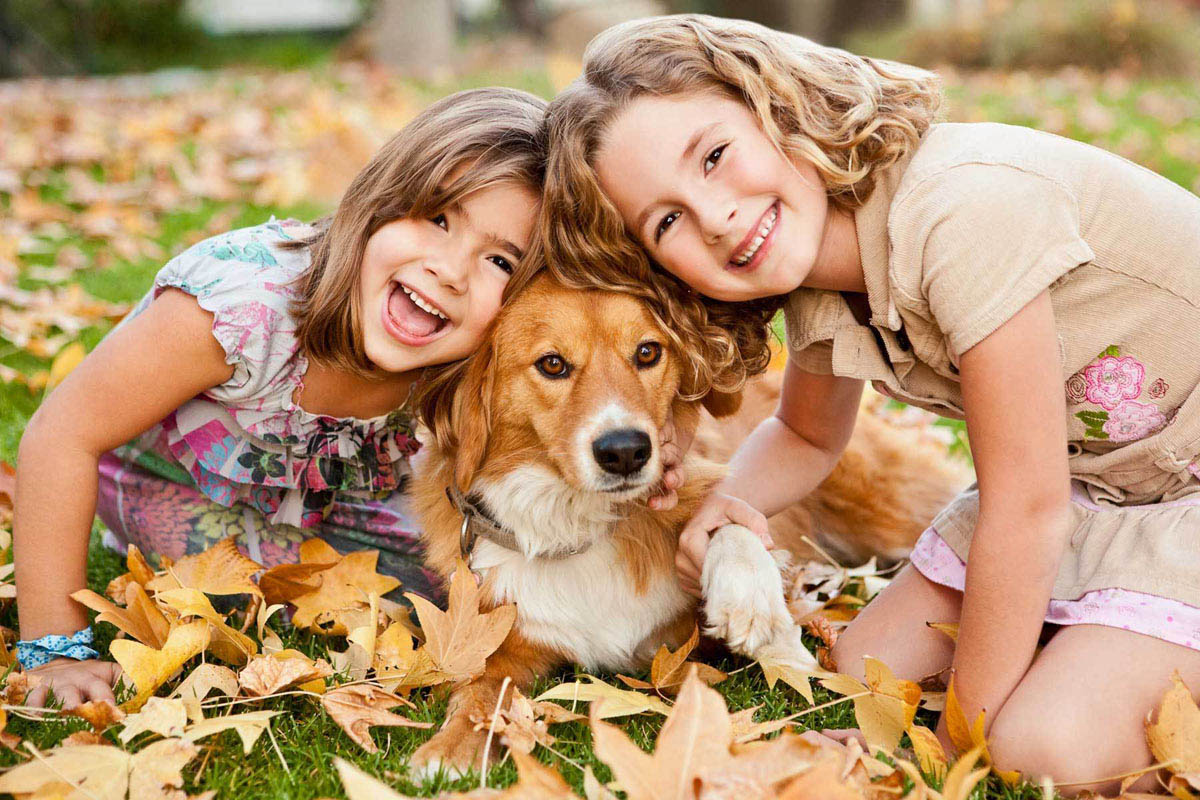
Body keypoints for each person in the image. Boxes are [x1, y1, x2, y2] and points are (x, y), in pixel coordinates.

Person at [541, 13, 1200, 792]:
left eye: (715, 156)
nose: (716, 216)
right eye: (669, 220)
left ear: (776, 105)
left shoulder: (964, 215)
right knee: (864, 669)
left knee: (1033, 749)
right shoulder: (818, 282)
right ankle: (1115, 646)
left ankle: (1112, 662)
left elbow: (1026, 509)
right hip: (1103, 484)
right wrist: (733, 504)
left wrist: (965, 734)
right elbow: (805, 435)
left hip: (1138, 489)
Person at [12, 87, 548, 709]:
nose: (452, 271)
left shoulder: (468, 351)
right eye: (438, 218)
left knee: (454, 579)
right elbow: (61, 435)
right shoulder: (240, 311)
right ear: (378, 201)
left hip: (329, 499)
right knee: (407, 592)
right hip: (158, 482)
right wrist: (52, 647)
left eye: (502, 262)